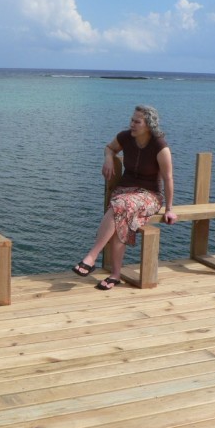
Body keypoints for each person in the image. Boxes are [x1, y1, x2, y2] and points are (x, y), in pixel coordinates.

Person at [72, 105, 177, 290]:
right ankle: (115, 275)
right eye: (132, 120)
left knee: (119, 207)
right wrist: (108, 158)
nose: (132, 124)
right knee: (120, 214)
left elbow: (168, 179)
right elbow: (109, 148)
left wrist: (169, 209)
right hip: (124, 191)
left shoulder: (160, 146)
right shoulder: (125, 137)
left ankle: (91, 257)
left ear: (149, 125)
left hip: (149, 195)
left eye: (137, 121)